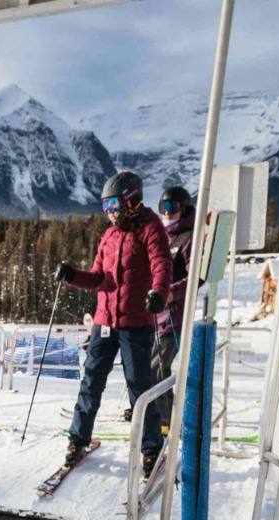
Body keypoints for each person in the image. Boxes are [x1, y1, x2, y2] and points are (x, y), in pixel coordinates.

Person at [55, 170, 172, 478]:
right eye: (105, 206)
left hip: (135, 324)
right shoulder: (109, 234)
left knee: (139, 387)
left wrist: (159, 293)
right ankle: (78, 439)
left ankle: (152, 449)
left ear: (132, 199)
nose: (109, 212)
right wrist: (72, 276)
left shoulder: (150, 227)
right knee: (91, 382)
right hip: (104, 322)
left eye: (114, 204)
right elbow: (98, 278)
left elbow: (162, 263)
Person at [155, 185, 195, 430]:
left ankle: (167, 421)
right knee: (148, 368)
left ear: (184, 208)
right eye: (163, 208)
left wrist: (171, 293)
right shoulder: (161, 237)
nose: (167, 213)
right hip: (153, 315)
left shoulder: (188, 238)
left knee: (157, 370)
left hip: (173, 316)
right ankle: (154, 413)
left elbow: (194, 278)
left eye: (173, 207)